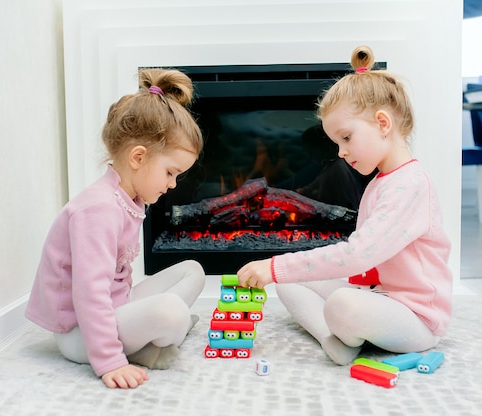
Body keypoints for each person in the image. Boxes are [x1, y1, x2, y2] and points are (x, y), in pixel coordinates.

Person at [236, 45, 453, 366]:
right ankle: (332, 338)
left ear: (383, 123)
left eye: (346, 138)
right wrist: (282, 272)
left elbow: (357, 255)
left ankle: (342, 327)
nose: (340, 152)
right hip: (379, 295)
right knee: (291, 285)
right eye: (337, 142)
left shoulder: (410, 184)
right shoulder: (382, 180)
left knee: (341, 303)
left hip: (416, 316)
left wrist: (273, 267)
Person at [26, 68, 206, 389]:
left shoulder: (126, 197)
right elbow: (90, 293)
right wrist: (108, 360)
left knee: (192, 271)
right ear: (138, 157)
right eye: (170, 172)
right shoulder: (98, 210)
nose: (172, 184)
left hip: (115, 308)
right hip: (80, 334)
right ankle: (144, 342)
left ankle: (152, 336)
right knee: (172, 312)